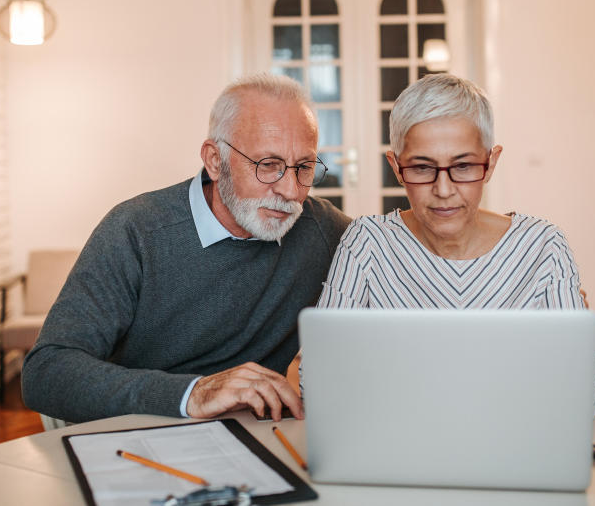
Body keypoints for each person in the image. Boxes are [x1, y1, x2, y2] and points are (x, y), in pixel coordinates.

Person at [21, 73, 351, 424]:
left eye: (304, 167)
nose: (289, 189)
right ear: (214, 159)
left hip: (253, 439)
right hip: (134, 430)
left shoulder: (321, 229)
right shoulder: (136, 231)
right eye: (267, 165)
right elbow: (46, 372)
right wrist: (193, 393)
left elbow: (396, 243)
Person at [301, 73, 595, 405]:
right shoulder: (366, 243)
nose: (443, 191)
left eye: (462, 166)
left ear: (491, 163)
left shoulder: (543, 247)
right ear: (396, 165)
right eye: (421, 168)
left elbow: (581, 381)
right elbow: (320, 375)